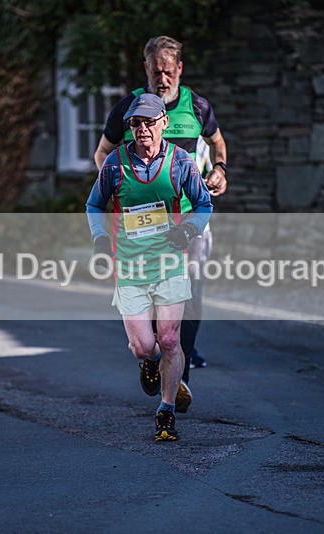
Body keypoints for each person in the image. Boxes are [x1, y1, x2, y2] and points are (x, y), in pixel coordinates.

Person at [94, 35, 228, 412]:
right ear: (146, 70)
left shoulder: (197, 107)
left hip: (190, 217)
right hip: (143, 226)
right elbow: (103, 153)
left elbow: (218, 143)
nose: (163, 78)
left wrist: (220, 170)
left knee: (192, 289)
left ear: (180, 70)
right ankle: (158, 360)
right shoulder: (128, 108)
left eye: (169, 72)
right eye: (156, 71)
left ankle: (180, 374)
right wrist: (118, 190)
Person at [87, 93, 212, 442]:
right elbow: (94, 205)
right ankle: (150, 360)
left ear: (163, 124)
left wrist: (188, 229)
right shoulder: (115, 163)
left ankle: (166, 411)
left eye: (148, 122)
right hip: (129, 265)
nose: (142, 129)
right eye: (135, 124)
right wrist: (99, 239)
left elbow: (203, 204)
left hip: (170, 261)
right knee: (144, 345)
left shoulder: (180, 161)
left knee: (171, 337)